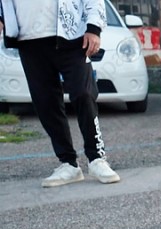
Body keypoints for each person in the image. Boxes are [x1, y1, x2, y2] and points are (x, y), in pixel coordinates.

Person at [0, 0, 121, 188]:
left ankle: (97, 158)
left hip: (72, 35)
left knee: (83, 94)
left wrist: (94, 28)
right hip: (29, 40)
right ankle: (68, 163)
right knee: (45, 101)